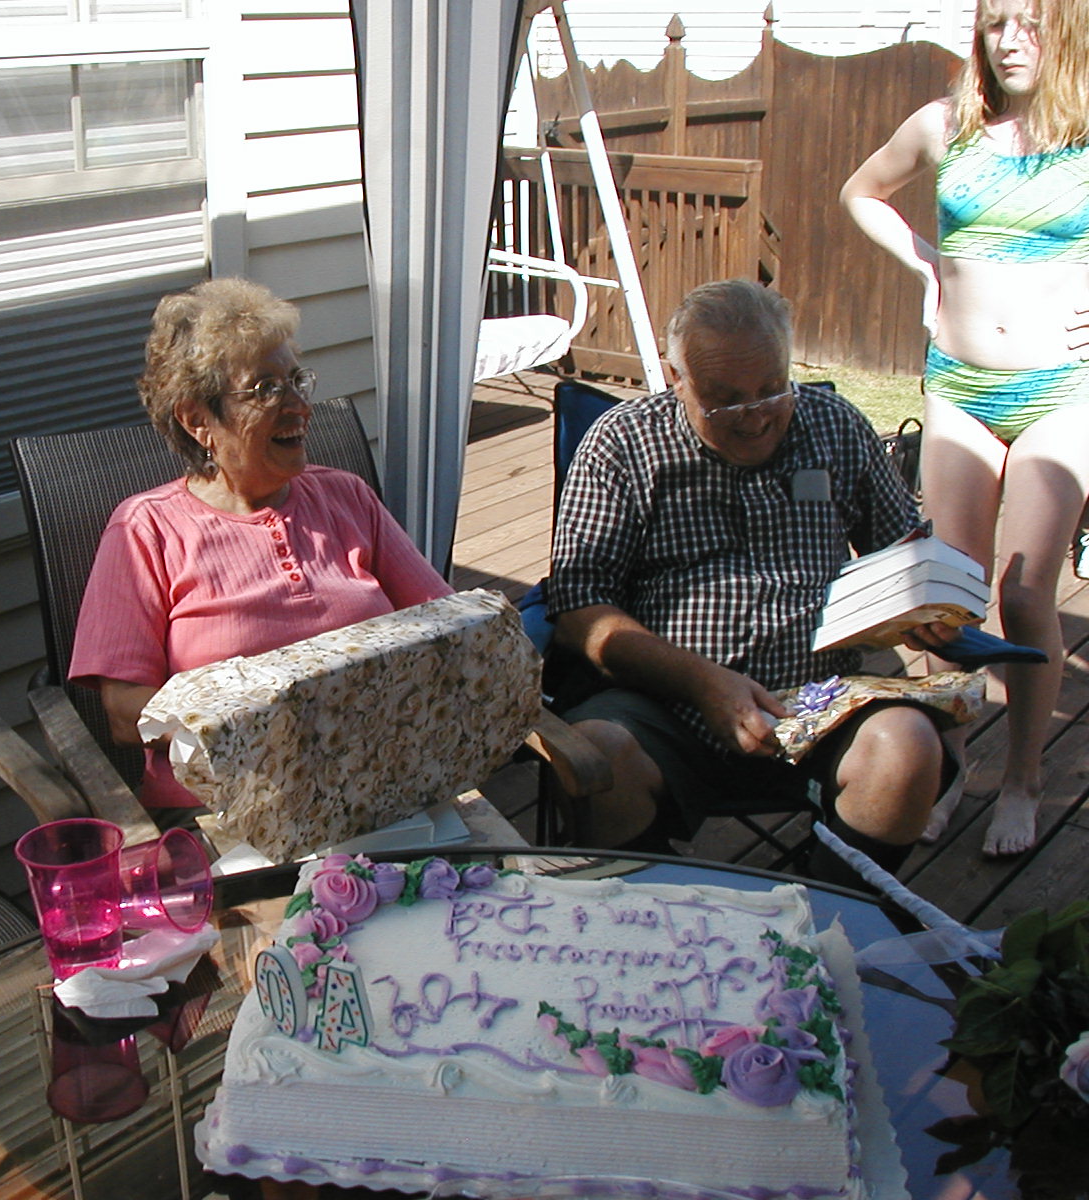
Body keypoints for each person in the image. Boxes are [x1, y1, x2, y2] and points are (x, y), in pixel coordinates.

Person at [545, 279, 961, 882]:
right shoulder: (622, 444)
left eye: (772, 389)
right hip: (663, 706)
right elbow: (579, 608)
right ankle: (662, 917)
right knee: (598, 758)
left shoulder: (835, 427)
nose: (755, 417)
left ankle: (830, 915)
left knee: (908, 746)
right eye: (725, 400)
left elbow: (903, 555)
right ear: (676, 377)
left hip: (821, 701)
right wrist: (702, 683)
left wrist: (925, 606)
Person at [840, 0, 1089, 856]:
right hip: (959, 387)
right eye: (996, 24)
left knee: (1024, 594)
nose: (1011, 41)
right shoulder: (945, 126)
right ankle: (950, 769)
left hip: (1063, 391)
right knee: (950, 595)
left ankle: (1023, 779)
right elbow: (862, 191)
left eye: (1032, 23)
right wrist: (923, 264)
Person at [69, 278, 452, 820]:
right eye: (265, 389)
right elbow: (126, 713)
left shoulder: (346, 496)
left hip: (381, 789)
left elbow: (445, 625)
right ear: (196, 419)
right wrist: (274, 714)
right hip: (231, 812)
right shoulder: (146, 530)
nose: (299, 406)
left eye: (296, 381)